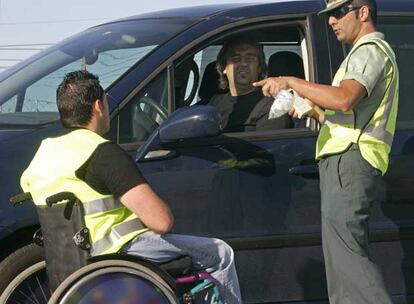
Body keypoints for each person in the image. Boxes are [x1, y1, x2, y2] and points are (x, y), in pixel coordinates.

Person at [20, 70, 242, 304]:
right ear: (98, 106)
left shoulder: (44, 152)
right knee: (220, 253)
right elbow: (162, 222)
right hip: (118, 249)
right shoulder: (100, 152)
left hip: (69, 257)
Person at [253, 0, 398, 303]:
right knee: (342, 265)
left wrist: (292, 80)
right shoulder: (361, 54)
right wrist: (308, 108)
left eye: (338, 12)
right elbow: (342, 115)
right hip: (345, 159)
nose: (331, 21)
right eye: (329, 15)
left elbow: (345, 99)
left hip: (351, 160)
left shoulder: (369, 50)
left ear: (363, 12)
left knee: (350, 262)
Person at [209, 38, 293, 132]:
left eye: (250, 59)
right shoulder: (214, 103)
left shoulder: (273, 105)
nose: (243, 64)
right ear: (224, 67)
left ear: (259, 68)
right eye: (236, 59)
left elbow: (270, 145)